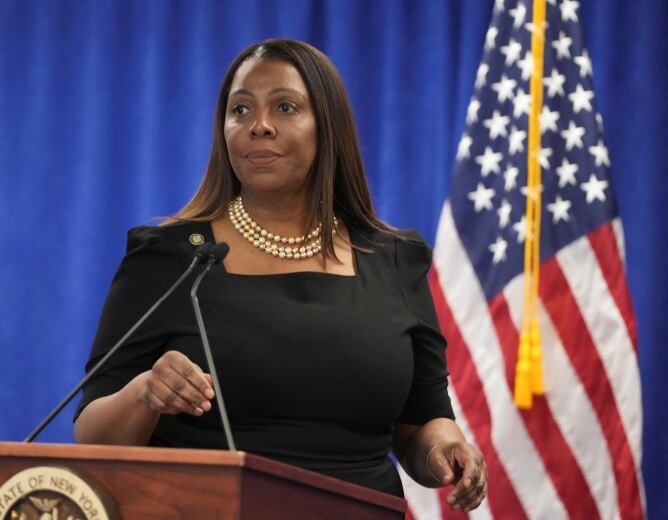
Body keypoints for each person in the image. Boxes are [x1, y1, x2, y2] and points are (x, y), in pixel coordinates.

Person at [74, 38, 487, 512]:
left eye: (285, 107)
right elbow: (92, 432)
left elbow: (421, 421)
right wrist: (145, 392)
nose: (259, 126)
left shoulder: (392, 258)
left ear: (326, 127)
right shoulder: (172, 258)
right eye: (240, 110)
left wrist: (444, 451)